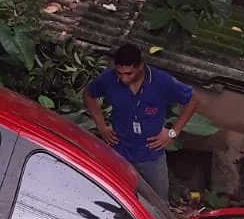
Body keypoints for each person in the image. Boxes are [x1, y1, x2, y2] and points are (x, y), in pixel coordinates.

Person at [84, 43, 199, 200]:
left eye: (129, 73)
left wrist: (173, 132)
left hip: (151, 155)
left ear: (140, 67)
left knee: (158, 204)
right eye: (119, 73)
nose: (123, 78)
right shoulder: (108, 80)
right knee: (117, 200)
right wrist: (102, 127)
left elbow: (192, 99)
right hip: (120, 152)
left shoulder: (161, 82)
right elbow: (89, 94)